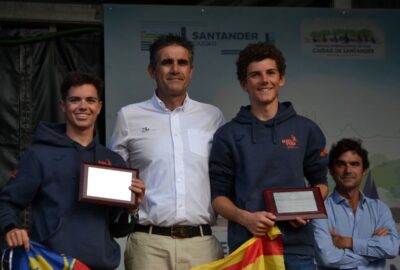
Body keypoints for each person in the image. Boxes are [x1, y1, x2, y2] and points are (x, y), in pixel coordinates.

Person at [0, 72, 145, 269]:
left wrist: (132, 209)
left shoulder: (113, 160)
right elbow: (7, 202)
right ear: (63, 105)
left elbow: (118, 229)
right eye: (75, 100)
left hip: (101, 265)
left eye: (90, 100)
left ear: (99, 107)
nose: (83, 106)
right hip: (53, 264)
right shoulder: (39, 155)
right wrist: (11, 227)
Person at [109, 34, 225, 270]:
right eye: (166, 62)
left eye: (182, 63)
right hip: (148, 245)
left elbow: (227, 176)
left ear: (191, 71)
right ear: (152, 71)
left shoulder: (213, 117)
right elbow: (115, 182)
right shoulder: (128, 117)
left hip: (202, 245)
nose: (175, 69)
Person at [209, 42, 329, 269]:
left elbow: (321, 184)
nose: (264, 80)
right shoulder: (228, 135)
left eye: (270, 73)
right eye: (255, 75)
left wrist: (306, 210)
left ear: (281, 79)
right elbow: (218, 199)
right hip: (249, 248)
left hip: (296, 249)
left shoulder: (306, 129)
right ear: (245, 83)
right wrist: (246, 218)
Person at [312, 138, 399, 269]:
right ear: (331, 170)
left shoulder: (380, 209)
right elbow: (328, 258)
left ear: (364, 170)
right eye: (341, 164)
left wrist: (348, 242)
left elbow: (392, 248)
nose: (348, 170)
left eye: (354, 164)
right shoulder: (320, 210)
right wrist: (372, 251)